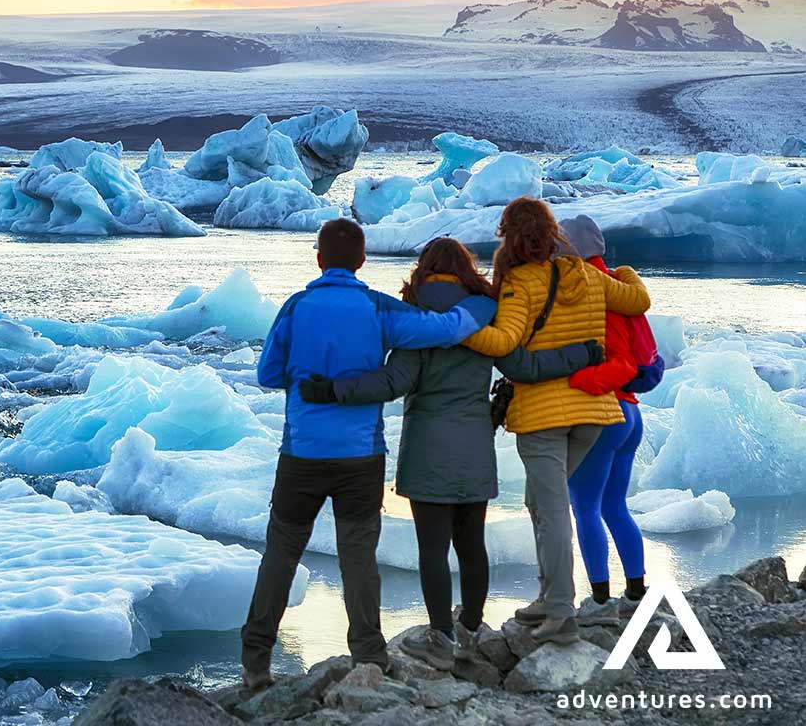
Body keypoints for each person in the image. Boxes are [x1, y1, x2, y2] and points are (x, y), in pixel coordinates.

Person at [299, 237, 601, 670]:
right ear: (466, 269)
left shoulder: (417, 319)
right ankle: (473, 628)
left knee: (433, 547)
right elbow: (527, 368)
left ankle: (440, 636)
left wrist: (333, 389)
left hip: (427, 448)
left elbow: (391, 382)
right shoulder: (485, 314)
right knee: (471, 541)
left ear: (423, 268)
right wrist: (583, 352)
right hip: (475, 442)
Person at [240, 218, 492, 689]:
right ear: (361, 261)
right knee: (358, 559)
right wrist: (484, 305)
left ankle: (256, 664)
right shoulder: (377, 309)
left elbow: (268, 374)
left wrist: (306, 374)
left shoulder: (297, 307)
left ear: (319, 259)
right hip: (360, 457)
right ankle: (369, 656)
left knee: (280, 555)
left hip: (302, 455)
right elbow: (443, 329)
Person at [460, 198, 650, 645]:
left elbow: (505, 340)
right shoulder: (586, 274)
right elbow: (637, 299)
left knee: (552, 510)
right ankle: (549, 597)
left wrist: (457, 328)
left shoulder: (519, 282)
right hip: (594, 414)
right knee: (537, 501)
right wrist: (620, 270)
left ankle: (562, 614)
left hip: (544, 415)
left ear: (510, 236)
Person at [558, 215, 652, 621]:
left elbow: (614, 358)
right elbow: (642, 357)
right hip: (632, 412)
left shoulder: (582, 292)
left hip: (603, 410)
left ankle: (598, 600)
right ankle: (636, 588)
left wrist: (575, 378)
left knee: (586, 508)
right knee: (616, 505)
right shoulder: (624, 288)